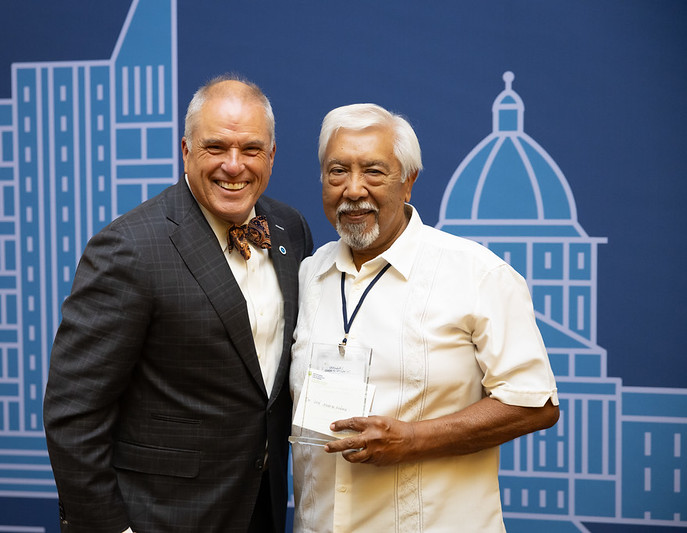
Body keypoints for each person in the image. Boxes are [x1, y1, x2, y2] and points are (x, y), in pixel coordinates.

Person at [43, 75, 313, 533]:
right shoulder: (130, 247)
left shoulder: (290, 228)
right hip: (159, 517)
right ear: (185, 150)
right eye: (215, 148)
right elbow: (73, 413)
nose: (234, 165)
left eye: (250, 149)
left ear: (271, 156)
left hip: (259, 510)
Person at [289, 103, 559, 532]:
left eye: (374, 172)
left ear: (408, 182)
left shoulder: (477, 274)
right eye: (337, 171)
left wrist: (412, 440)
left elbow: (535, 403)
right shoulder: (308, 275)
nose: (353, 189)